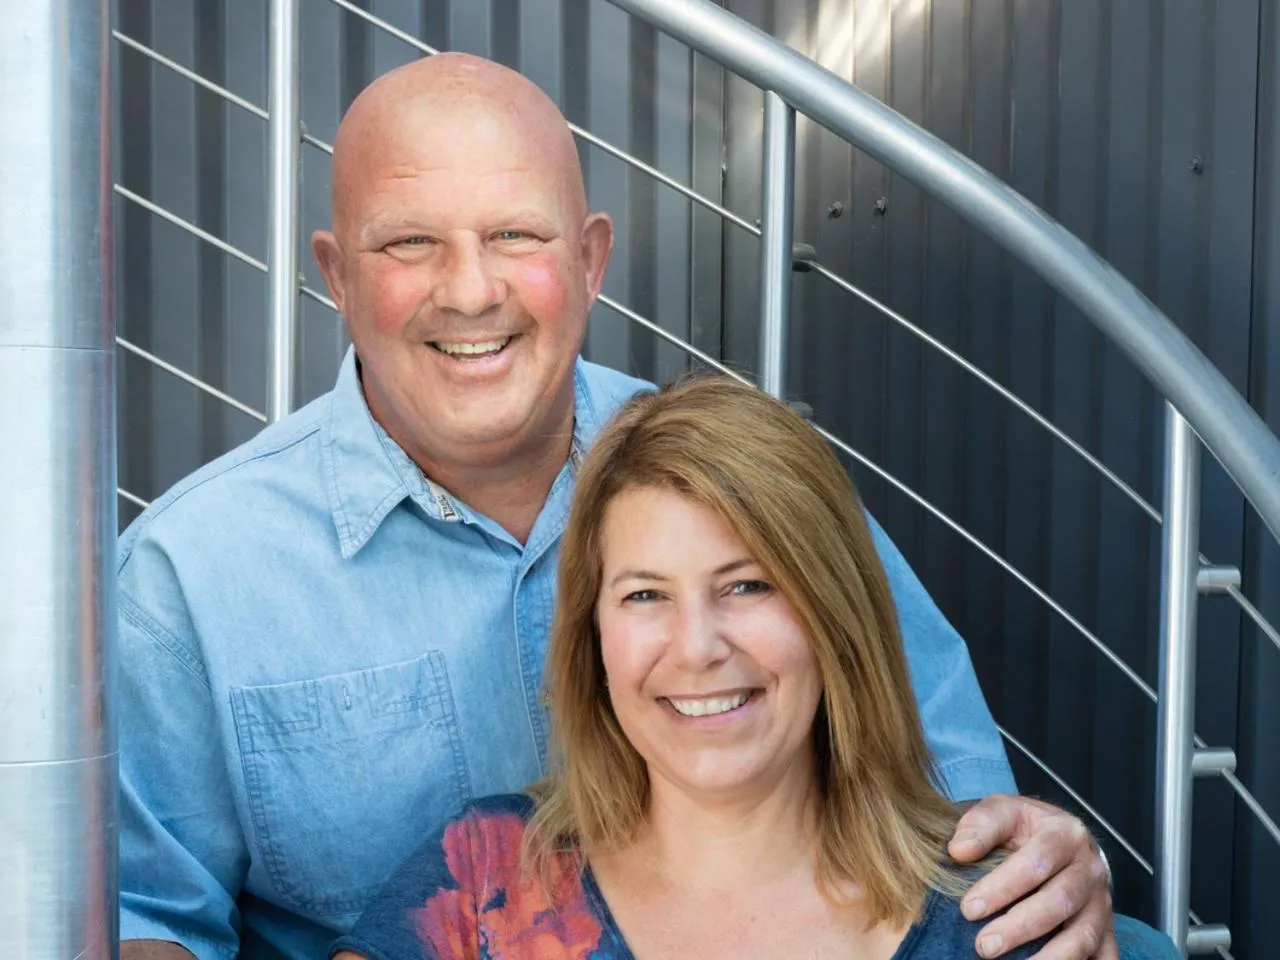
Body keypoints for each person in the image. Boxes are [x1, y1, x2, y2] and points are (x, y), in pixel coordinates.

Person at [118, 51, 1120, 960]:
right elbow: (139, 925)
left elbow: (958, 813)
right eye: (410, 243)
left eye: (515, 235)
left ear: (592, 261)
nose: (471, 292)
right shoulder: (188, 578)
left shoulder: (747, 485)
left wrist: (1042, 863)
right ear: (335, 275)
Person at [328, 376, 1177, 960]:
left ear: (832, 615)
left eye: (746, 585)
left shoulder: (1005, 914)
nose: (696, 648)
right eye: (645, 596)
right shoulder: (483, 877)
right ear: (594, 639)